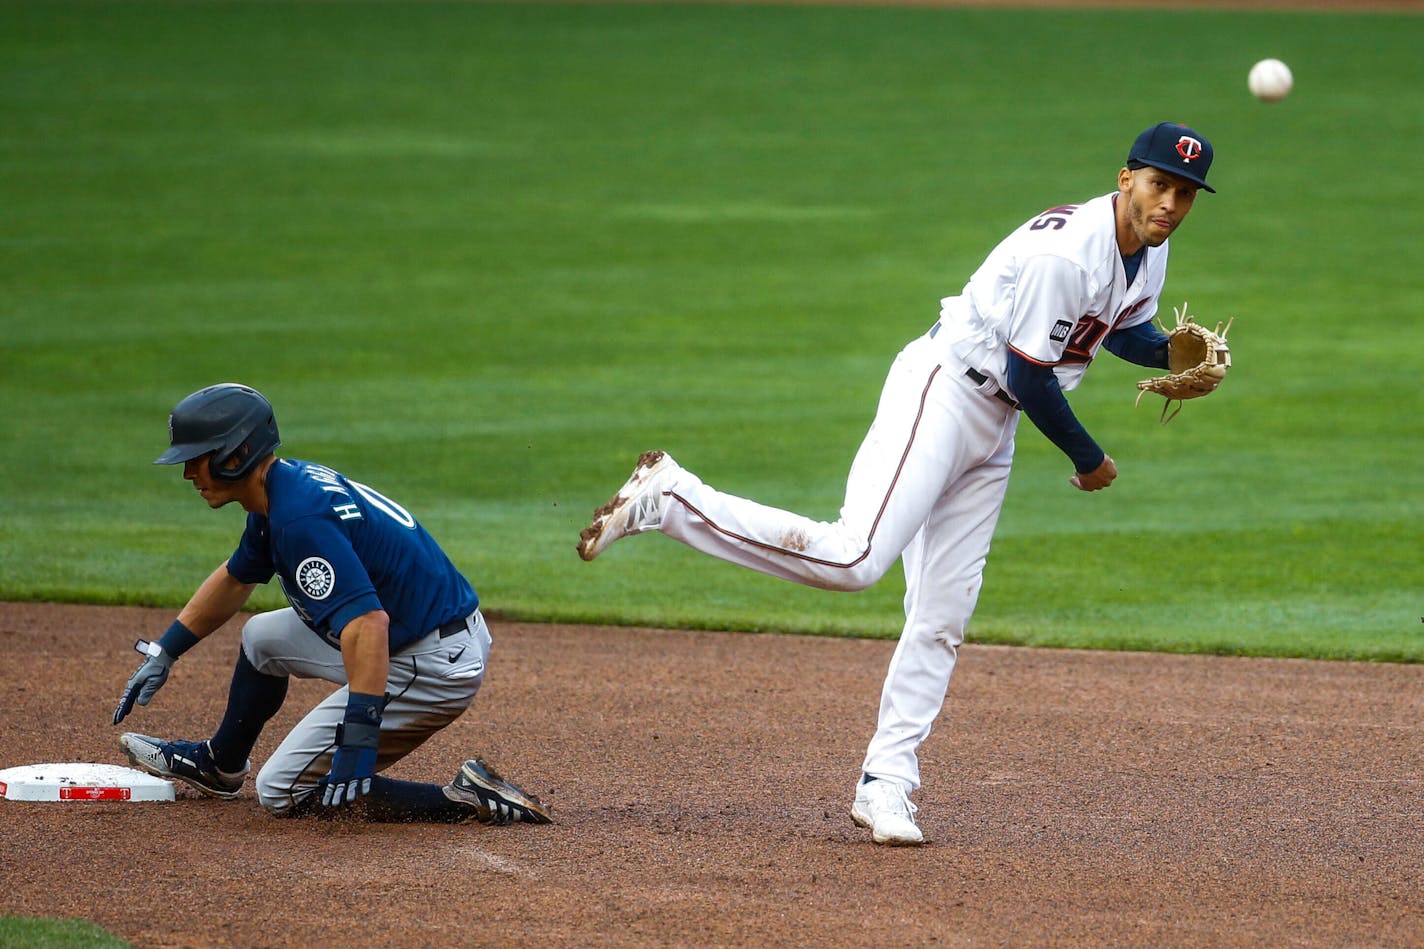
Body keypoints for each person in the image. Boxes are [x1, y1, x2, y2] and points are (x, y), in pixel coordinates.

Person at [577, 123, 1218, 845]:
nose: (1170, 203)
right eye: (1160, 184)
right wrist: (1087, 456)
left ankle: (888, 784)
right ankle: (673, 498)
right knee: (855, 559)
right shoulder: (1065, 253)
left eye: (1185, 193)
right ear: (1126, 177)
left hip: (993, 427)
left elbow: (1111, 327)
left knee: (942, 613)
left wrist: (1165, 348)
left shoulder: (1148, 251)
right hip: (945, 392)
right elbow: (1029, 376)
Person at [114, 382, 551, 825]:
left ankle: (465, 797)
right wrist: (166, 650)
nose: (188, 473)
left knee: (281, 789)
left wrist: (359, 734)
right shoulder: (279, 492)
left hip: (431, 663)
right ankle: (221, 763)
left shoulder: (299, 519)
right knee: (261, 637)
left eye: (197, 458)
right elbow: (235, 577)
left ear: (236, 454)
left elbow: (366, 623)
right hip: (418, 633)